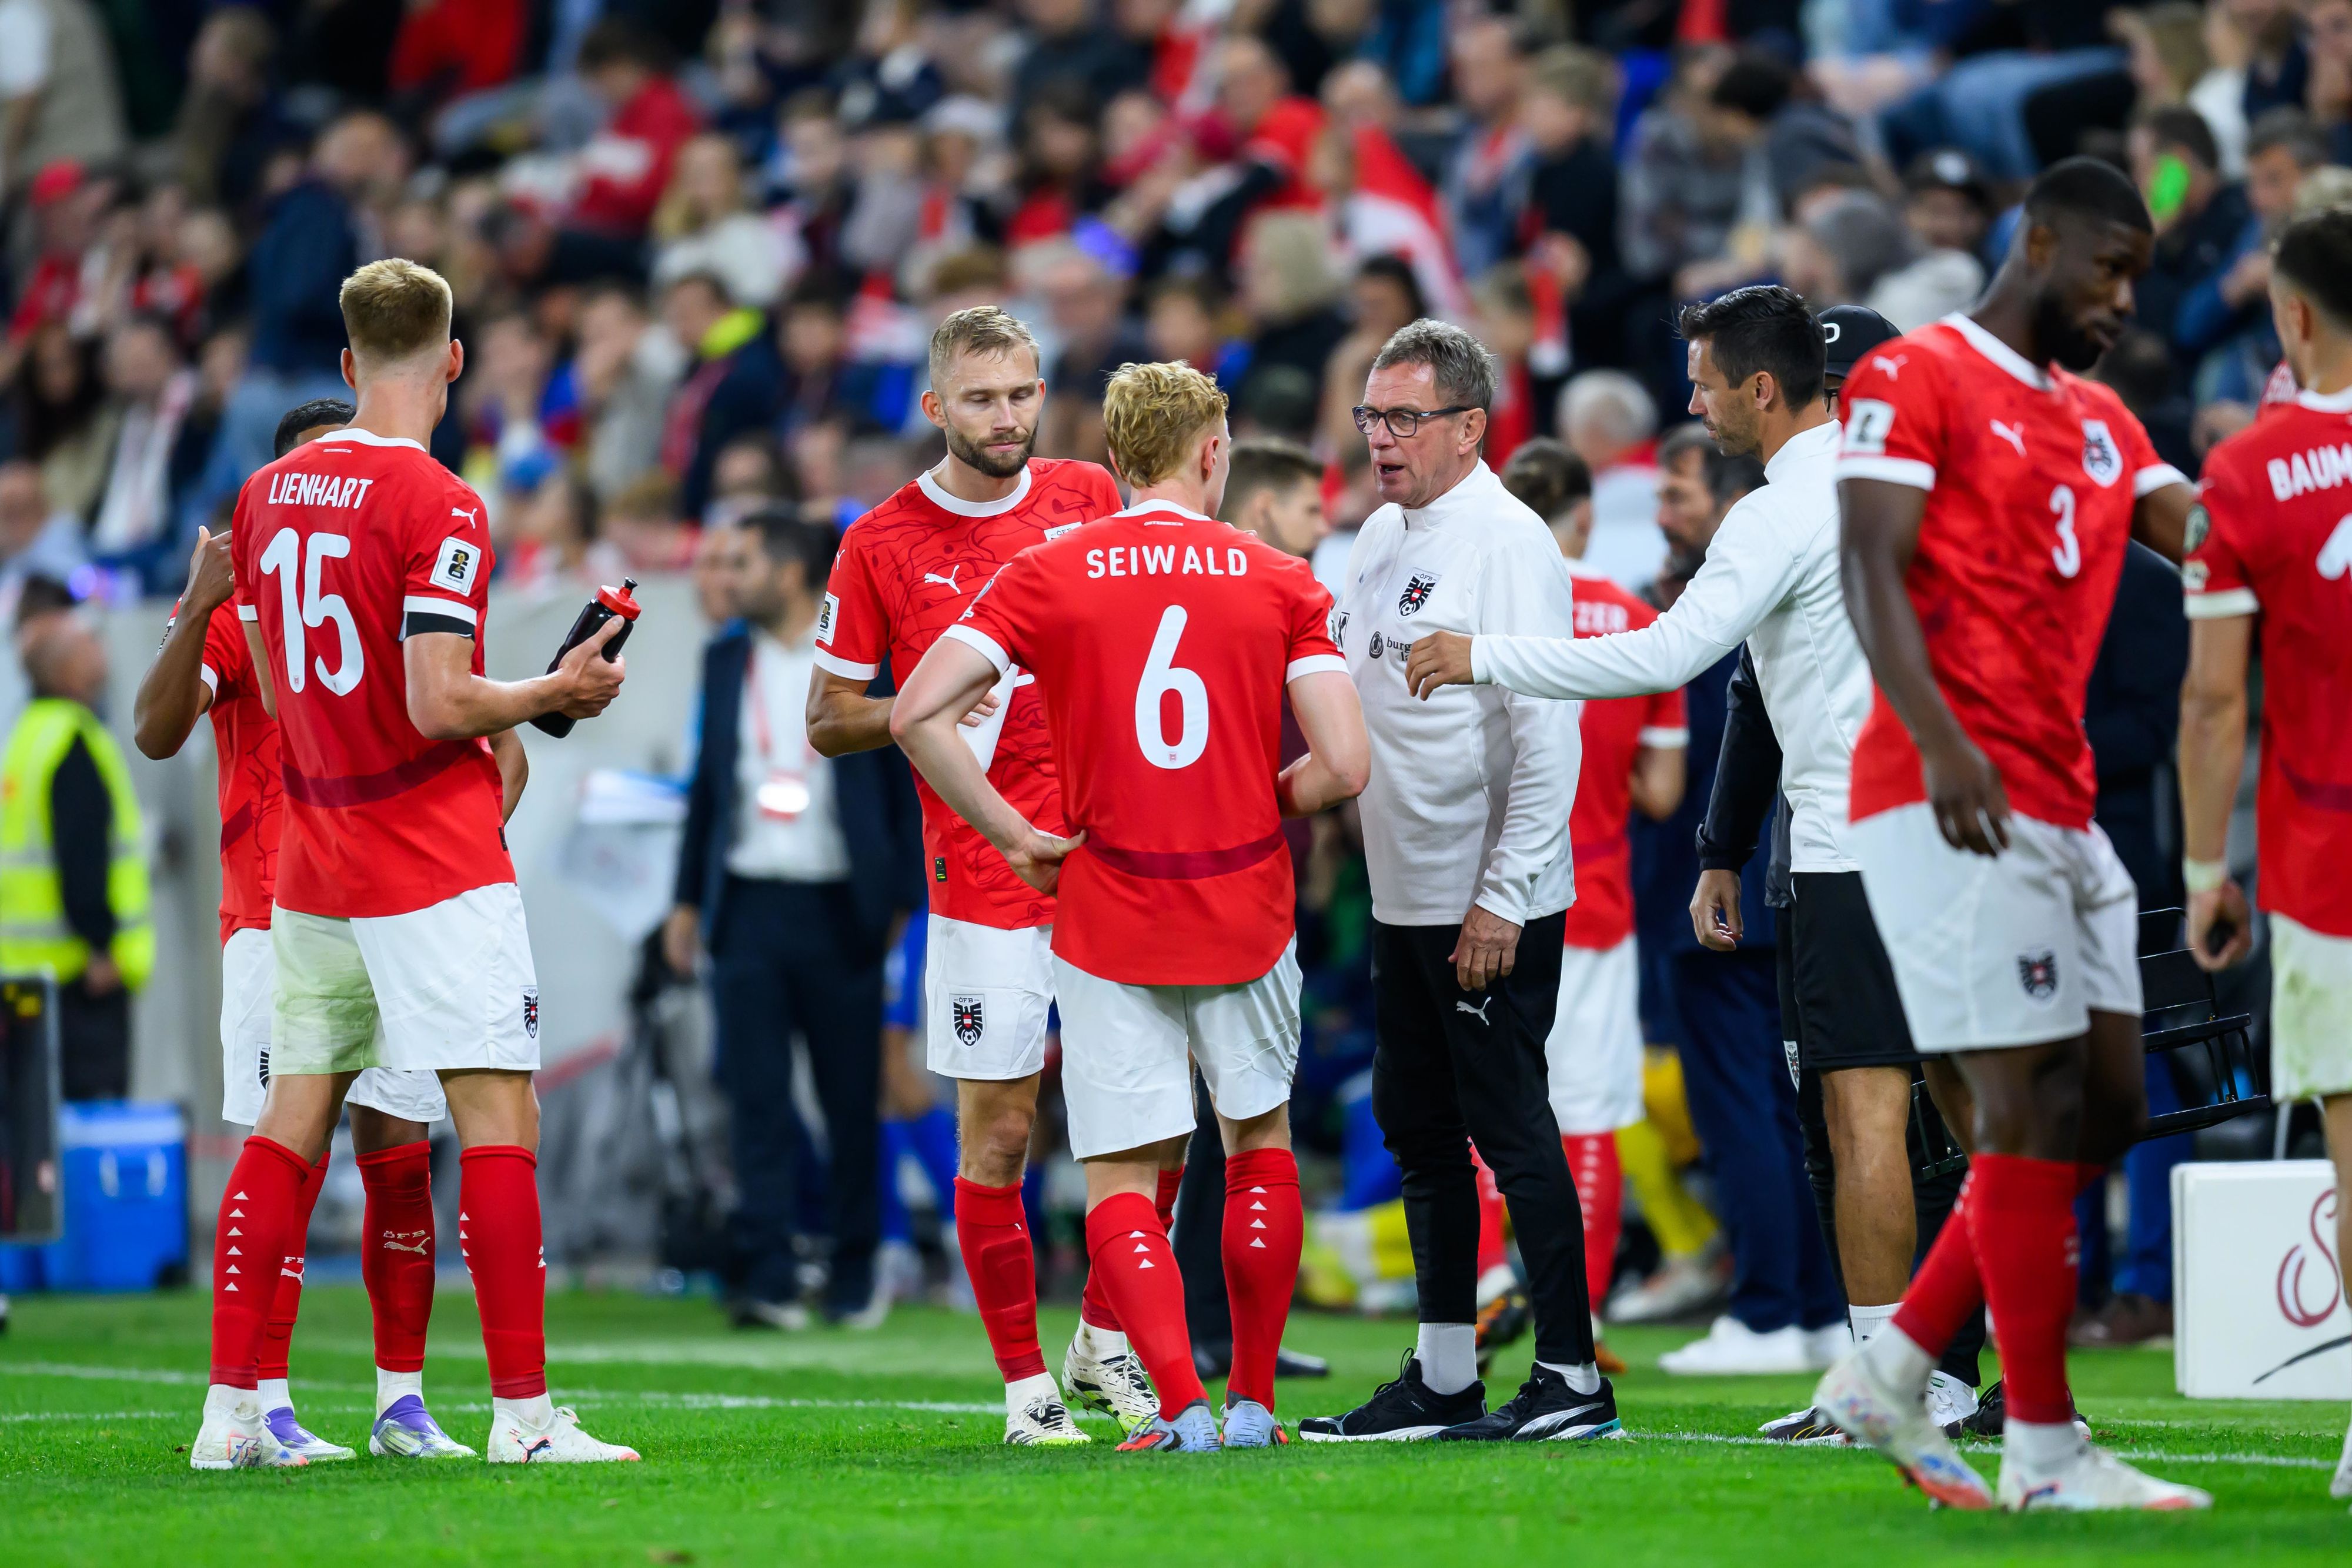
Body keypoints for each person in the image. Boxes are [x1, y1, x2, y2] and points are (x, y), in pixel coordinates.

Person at [1410, 287, 1917, 1384]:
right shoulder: (1895, 483)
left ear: (1763, 389)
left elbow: (1664, 656)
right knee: (1930, 1114)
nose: (1692, 401)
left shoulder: (1779, 511)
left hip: (1845, 843)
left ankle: (1887, 1380)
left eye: (1705, 382)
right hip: (1931, 834)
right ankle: (1942, 1371)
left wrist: (1480, 653)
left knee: (1861, 1111)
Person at [1815, 158, 2208, 1512]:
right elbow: (1871, 559)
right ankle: (2041, 1449)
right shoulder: (1912, 374)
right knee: (2026, 1101)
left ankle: (1897, 1361)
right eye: (2105, 268)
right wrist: (1938, 740)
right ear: (2035, 241)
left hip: (2059, 798)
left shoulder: (2100, 417)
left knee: (2104, 1108)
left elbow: (2205, 535)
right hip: (1945, 792)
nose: (2119, 300)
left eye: (2137, 280)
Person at [196, 258, 632, 1470]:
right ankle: (525, 1419)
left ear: (346, 363)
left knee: (292, 1120)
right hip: (425, 851)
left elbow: (283, 688)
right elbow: (440, 699)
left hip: (311, 852)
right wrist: (557, 687)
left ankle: (230, 1415)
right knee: (497, 1110)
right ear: (451, 359)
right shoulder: (441, 502)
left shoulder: (266, 493)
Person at [890, 358, 1367, 1452]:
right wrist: (1259, 794)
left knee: (1117, 1164)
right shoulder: (1279, 574)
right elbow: (1344, 764)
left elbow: (919, 711)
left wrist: (1014, 834)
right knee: (1256, 1139)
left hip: (1108, 903)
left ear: (1113, 458)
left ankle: (1179, 1411)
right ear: (1213, 453)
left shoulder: (1052, 566)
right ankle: (1252, 1403)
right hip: (1243, 893)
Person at [804, 305, 1132, 1446]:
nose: (1008, 416)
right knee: (998, 1134)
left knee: (1146, 1118)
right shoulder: (880, 540)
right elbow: (827, 718)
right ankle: (1023, 1389)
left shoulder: (1090, 499)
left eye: (1025, 392)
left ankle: (1102, 1335)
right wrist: (923, 704)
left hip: (1108, 859)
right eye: (983, 397)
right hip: (983, 875)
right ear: (936, 407)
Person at [129, 397, 467, 1465]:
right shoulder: (238, 616)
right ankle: (257, 1404)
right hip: (272, 912)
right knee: (289, 1150)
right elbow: (155, 731)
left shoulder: (404, 595)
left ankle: (401, 1403)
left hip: (397, 905)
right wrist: (197, 606)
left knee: (400, 1152)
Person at [1306, 319, 1616, 1444]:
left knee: (1513, 1127)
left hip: (1489, 898)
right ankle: (1444, 1376)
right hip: (1402, 890)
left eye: (1404, 418)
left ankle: (1575, 1378)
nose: (1382, 439)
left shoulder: (1509, 539)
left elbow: (1550, 732)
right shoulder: (1381, 533)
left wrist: (1505, 891)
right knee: (1419, 1128)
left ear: (1471, 426)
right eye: (1371, 418)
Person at [2176, 205, 2352, 1511]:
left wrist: (2200, 871)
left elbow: (2213, 702)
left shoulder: (2239, 474)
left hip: (2321, 853)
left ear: (2289, 317)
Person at [664, 508, 921, 1330]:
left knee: (851, 1099)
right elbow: (710, 786)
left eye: (740, 563)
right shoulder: (720, 657)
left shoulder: (860, 653)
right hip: (746, 901)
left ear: (789, 572)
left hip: (842, 902)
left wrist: (900, 901)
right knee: (756, 1098)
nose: (724, 579)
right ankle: (769, 1270)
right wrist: (686, 899)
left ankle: (855, 1268)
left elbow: (899, 783)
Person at [1495, 435, 1688, 1377]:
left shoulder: (1487, 608)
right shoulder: (1635, 617)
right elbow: (1662, 791)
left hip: (1485, 894)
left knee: (1488, 1104)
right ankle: (1587, 1310)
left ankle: (1492, 1284)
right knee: (1590, 1115)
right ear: (1582, 514)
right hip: (1596, 895)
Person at [0, 611, 148, 1104]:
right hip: (80, 979)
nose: (101, 653)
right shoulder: (72, 741)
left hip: (25, 978)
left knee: (38, 1123)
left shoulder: (25, 738)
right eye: (88, 642)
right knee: (91, 1123)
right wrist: (100, 944)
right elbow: (81, 857)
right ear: (66, 669)